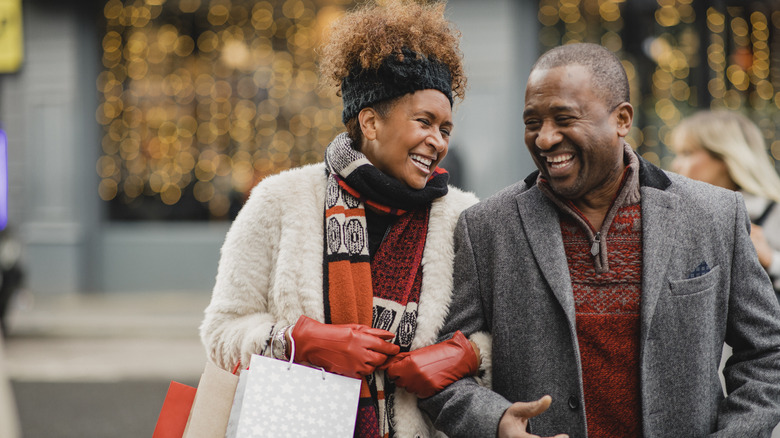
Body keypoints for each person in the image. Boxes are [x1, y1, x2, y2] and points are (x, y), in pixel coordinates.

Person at [418, 42, 780, 437]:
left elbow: (767, 353)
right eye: (532, 122)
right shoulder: (487, 227)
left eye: (563, 118)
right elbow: (439, 370)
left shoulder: (714, 214)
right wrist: (496, 422)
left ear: (622, 119)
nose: (544, 139)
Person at [200, 1, 487, 437]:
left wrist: (468, 355)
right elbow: (222, 330)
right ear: (370, 122)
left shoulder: (463, 218)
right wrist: (304, 341)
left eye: (445, 129)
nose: (437, 142)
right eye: (424, 122)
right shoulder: (280, 201)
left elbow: (501, 333)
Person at [669, 110, 780, 300]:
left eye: (687, 153)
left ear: (724, 157)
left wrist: (771, 260)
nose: (676, 165)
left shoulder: (772, 212)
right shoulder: (677, 215)